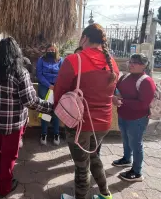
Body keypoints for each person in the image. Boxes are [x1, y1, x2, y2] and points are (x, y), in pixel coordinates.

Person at [0, 37, 53, 197]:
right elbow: (30, 101)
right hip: (12, 124)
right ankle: (5, 187)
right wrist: (50, 107)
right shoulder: (20, 72)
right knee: (9, 155)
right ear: (16, 52)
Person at [55, 23, 119, 199]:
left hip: (80, 123)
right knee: (94, 157)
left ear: (84, 38)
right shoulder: (112, 62)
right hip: (103, 123)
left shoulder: (74, 60)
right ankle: (105, 194)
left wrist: (59, 113)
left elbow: (59, 91)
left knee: (81, 165)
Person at [111, 54, 155, 182]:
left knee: (136, 144)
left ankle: (137, 171)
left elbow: (143, 103)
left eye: (136, 62)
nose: (131, 64)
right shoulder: (125, 76)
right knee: (125, 139)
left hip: (137, 118)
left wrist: (122, 101)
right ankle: (126, 159)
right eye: (131, 61)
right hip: (123, 115)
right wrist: (114, 97)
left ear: (144, 65)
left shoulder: (146, 81)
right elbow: (116, 89)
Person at [36, 44, 64, 145]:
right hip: (44, 87)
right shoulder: (41, 60)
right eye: (49, 49)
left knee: (56, 110)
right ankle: (44, 133)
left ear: (56, 50)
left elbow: (63, 74)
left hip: (56, 87)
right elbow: (39, 74)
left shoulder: (61, 60)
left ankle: (56, 133)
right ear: (46, 50)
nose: (51, 51)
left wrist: (56, 86)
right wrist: (49, 85)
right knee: (46, 110)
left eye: (53, 49)